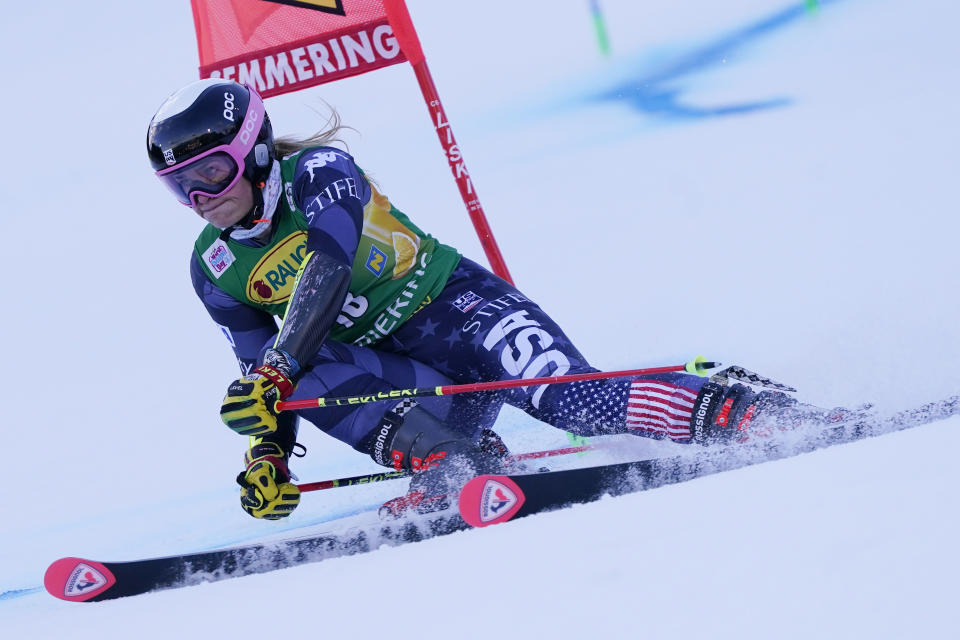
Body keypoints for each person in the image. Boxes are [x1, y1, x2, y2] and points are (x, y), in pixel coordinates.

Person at [146, 79, 788, 521]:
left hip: (464, 317)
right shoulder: (213, 267)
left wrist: (278, 370)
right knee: (288, 373)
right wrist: (268, 455)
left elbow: (330, 263)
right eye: (181, 187)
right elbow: (265, 376)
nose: (201, 197)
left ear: (255, 151)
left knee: (577, 405)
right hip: (421, 387)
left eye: (211, 173)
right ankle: (449, 463)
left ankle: (742, 410)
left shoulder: (319, 171)